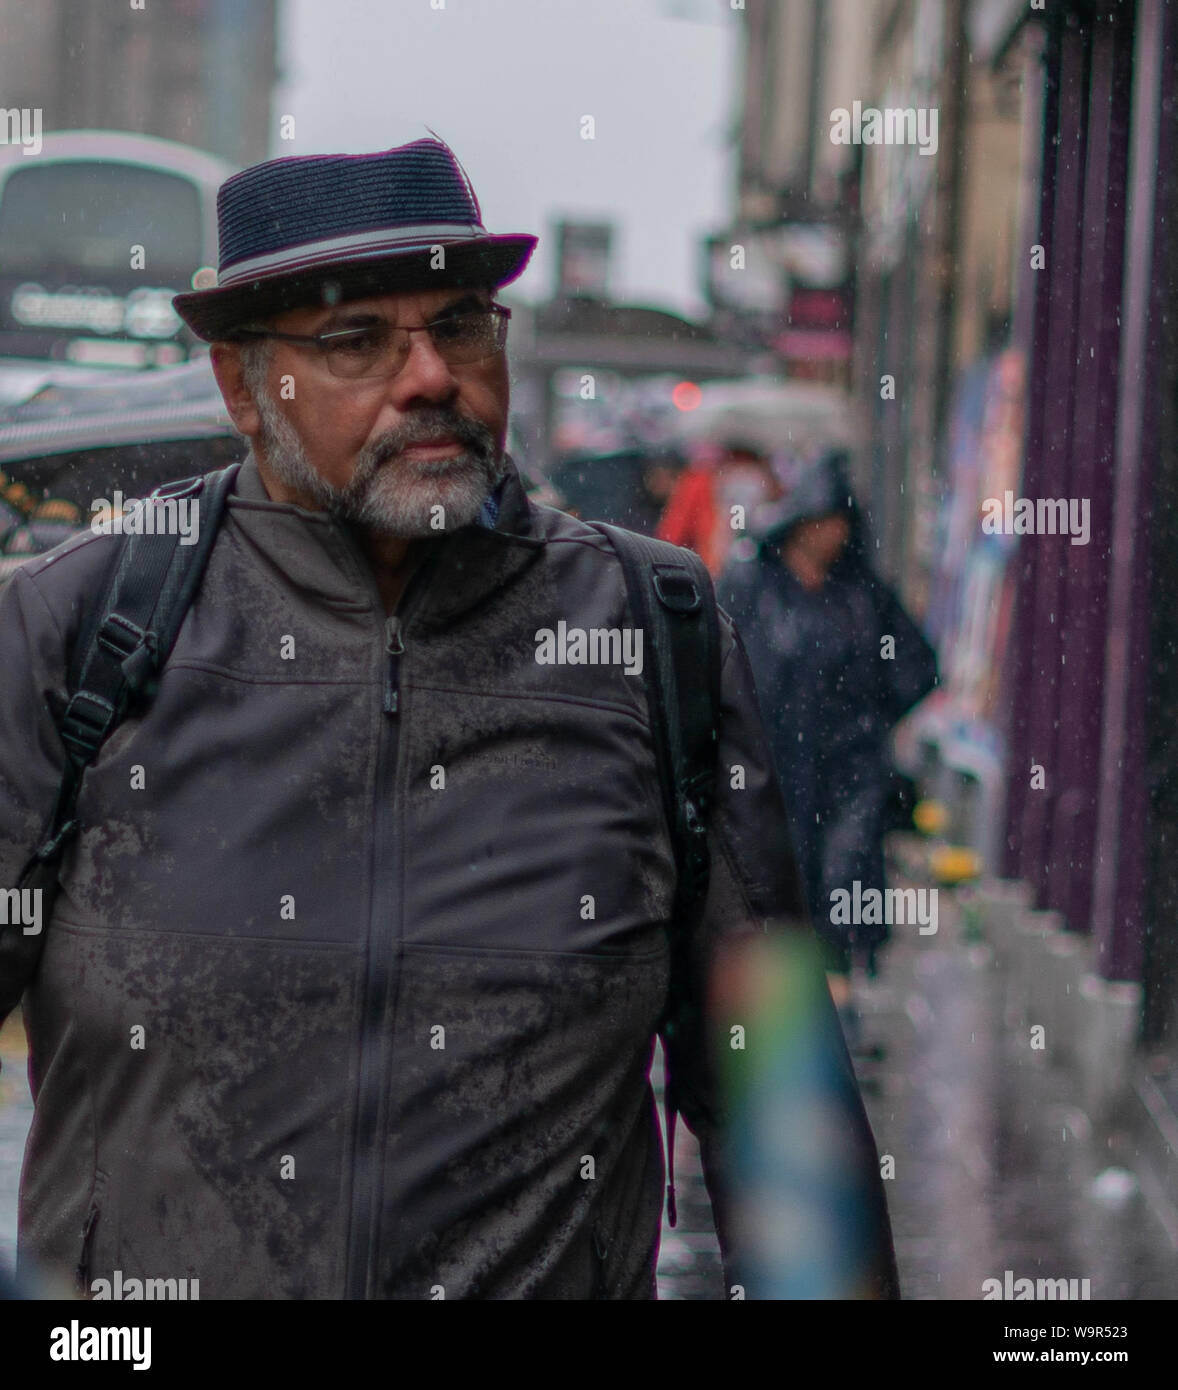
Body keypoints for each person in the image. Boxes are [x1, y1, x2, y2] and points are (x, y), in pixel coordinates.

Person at [0, 138, 898, 1300]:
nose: (430, 377)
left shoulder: (651, 633)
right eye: (356, 340)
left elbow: (778, 1109)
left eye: (461, 325)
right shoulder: (82, 631)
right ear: (240, 386)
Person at [718, 450, 938, 1046]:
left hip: (849, 769)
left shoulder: (863, 593)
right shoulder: (751, 585)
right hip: (770, 766)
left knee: (844, 878)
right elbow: (716, 665)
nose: (830, 535)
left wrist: (869, 718)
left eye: (839, 522)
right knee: (769, 881)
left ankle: (840, 999)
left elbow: (917, 665)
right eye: (820, 521)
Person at [656, 438, 783, 576]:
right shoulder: (769, 480)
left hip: (720, 571)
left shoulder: (702, 478)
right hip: (736, 572)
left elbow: (673, 534)